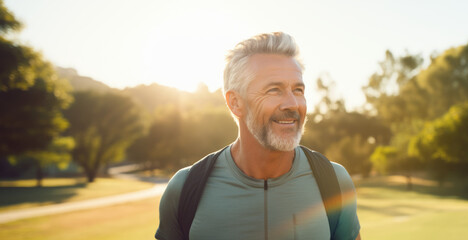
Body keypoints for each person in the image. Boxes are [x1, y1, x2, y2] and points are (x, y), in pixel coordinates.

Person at [155, 32, 361, 240]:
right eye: (274, 90)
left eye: (298, 90)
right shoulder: (185, 189)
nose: (293, 104)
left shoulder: (334, 182)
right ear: (235, 102)